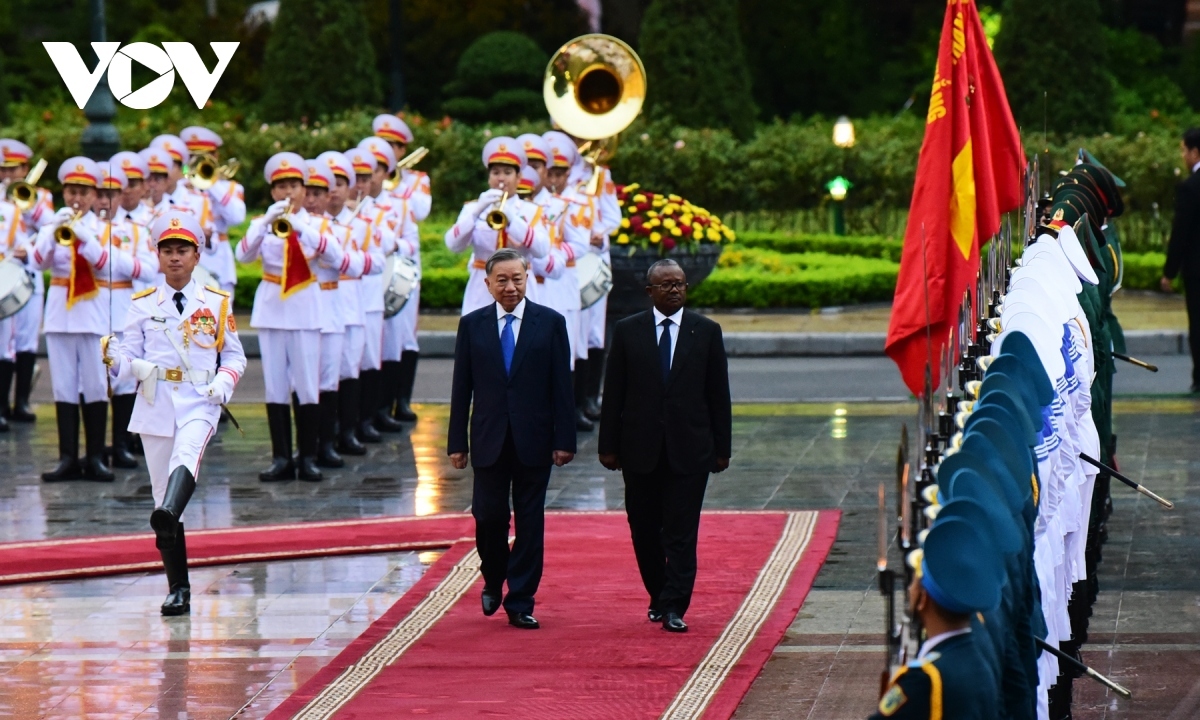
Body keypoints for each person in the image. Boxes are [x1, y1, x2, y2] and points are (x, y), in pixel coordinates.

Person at [103, 209, 246, 615]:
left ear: (197, 255)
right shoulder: (142, 304)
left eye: (182, 250)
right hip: (156, 399)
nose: (175, 257)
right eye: (167, 250)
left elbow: (235, 357)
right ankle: (178, 588)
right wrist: (116, 358)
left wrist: (223, 383)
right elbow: (128, 357)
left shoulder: (215, 303)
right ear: (157, 255)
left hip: (200, 398)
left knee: (187, 459)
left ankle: (167, 512)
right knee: (159, 491)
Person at [598, 259, 731, 632]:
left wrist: (723, 448)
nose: (674, 290)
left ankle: (675, 605)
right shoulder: (627, 332)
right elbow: (615, 394)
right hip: (639, 451)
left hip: (690, 450)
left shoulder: (705, 331)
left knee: (682, 530)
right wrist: (607, 446)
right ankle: (658, 593)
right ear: (650, 292)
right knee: (643, 529)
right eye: (666, 285)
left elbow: (718, 393)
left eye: (680, 284)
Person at [447, 248, 576, 629]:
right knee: (488, 516)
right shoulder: (472, 325)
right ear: (487, 284)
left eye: (516, 278)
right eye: (501, 280)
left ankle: (521, 599)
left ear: (528, 278)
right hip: (489, 438)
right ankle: (493, 576)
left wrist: (564, 439)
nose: (510, 287)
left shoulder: (550, 323)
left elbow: (561, 388)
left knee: (530, 519)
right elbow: (461, 388)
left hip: (534, 439)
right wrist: (457, 442)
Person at [235, 152, 344, 482]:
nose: (287, 192)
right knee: (276, 387)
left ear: (303, 189)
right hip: (271, 310)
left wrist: (300, 227)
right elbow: (242, 255)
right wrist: (265, 222)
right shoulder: (263, 223)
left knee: (308, 386)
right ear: (272, 192)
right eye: (281, 186)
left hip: (305, 309)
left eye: (293, 186)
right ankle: (281, 457)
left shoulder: (319, 225)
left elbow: (337, 257)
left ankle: (307, 457)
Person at [30, 157, 132, 482]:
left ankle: (97, 457)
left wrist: (84, 236)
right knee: (63, 388)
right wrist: (51, 233)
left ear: (93, 195)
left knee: (95, 386)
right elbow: (36, 262)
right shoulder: (52, 226)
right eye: (72, 191)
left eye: (84, 192)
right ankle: (67, 458)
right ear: (64, 192)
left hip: (92, 314)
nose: (77, 198)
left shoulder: (104, 229)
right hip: (61, 315)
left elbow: (106, 264)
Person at [869, 519, 1003, 720]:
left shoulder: (925, 680)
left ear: (924, 599)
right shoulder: (979, 649)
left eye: (914, 582)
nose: (909, 590)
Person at [95, 162, 159, 469]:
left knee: (122, 380)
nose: (105, 200)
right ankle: (94, 447)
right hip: (89, 307)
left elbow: (147, 269)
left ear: (121, 196)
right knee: (91, 381)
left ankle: (120, 443)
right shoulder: (86, 226)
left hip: (121, 306)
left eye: (111, 194)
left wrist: (110, 254)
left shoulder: (134, 230)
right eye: (100, 193)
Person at [445, 137, 550, 316]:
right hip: (483, 287)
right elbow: (453, 245)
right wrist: (476, 211)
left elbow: (542, 249)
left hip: (519, 288)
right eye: (495, 172)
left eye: (507, 172)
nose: (501, 178)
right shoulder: (473, 208)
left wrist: (513, 221)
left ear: (519, 177)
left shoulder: (531, 211)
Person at [359, 136, 421, 430]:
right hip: (358, 285)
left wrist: (394, 244)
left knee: (392, 345)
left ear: (386, 173)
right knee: (361, 353)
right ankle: (363, 415)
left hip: (388, 283)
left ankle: (385, 407)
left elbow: (412, 243)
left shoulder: (399, 205)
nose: (369, 178)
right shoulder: (351, 206)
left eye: (375, 170)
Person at [0, 140, 52, 423]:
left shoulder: (38, 195)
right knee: (4, 342)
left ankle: (22, 402)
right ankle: (3, 405)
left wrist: (27, 203)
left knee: (27, 340)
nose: (9, 175)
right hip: (3, 275)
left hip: (28, 275)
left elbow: (50, 225)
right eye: (4, 169)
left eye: (14, 169)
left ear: (25, 168)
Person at [181, 126, 247, 300]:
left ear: (215, 157)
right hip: (184, 255)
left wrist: (211, 183)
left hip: (218, 260)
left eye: (202, 157)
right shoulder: (180, 188)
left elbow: (237, 218)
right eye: (192, 157)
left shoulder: (229, 188)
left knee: (220, 320)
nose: (196, 162)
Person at [1163, 127, 1200, 392]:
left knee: (1198, 321)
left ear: (1195, 152)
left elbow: (1181, 233)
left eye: (1184, 150)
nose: (1183, 155)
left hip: (1197, 270)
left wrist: (1169, 272)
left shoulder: (1190, 188)